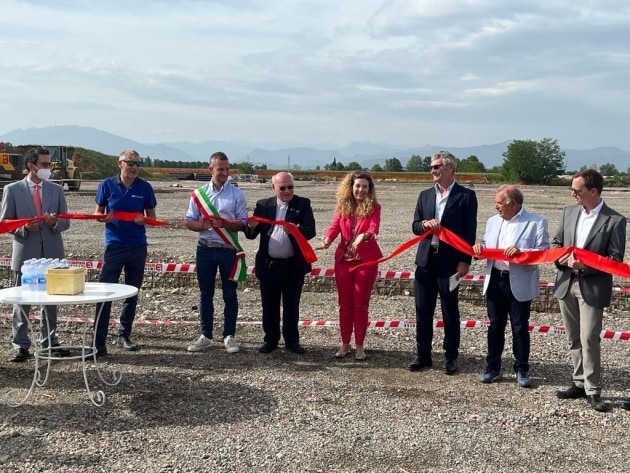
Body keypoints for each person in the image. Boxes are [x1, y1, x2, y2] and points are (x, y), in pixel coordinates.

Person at [552, 169, 626, 412]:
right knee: (573, 338)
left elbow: (614, 259)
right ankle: (578, 382)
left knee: (589, 338)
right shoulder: (568, 212)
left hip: (592, 285)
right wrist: (560, 259)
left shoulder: (614, 220)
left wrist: (585, 266)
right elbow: (556, 244)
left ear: (593, 191)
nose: (573, 194)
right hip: (566, 282)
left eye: (577, 190)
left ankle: (593, 389)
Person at [472, 185, 549, 388]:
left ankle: (522, 369)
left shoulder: (536, 222)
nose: (496, 207)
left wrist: (521, 251)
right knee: (495, 325)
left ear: (513, 203)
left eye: (500, 203)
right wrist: (479, 248)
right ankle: (492, 367)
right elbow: (485, 243)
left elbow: (543, 252)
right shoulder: (492, 221)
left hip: (520, 281)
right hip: (496, 279)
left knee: (520, 327)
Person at [408, 150, 477, 374]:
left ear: (450, 168)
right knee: (423, 310)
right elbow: (415, 225)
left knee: (450, 312)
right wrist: (425, 224)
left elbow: (470, 232)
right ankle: (423, 355)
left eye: (436, 167)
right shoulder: (424, 195)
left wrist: (465, 260)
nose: (433, 171)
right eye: (431, 167)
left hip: (450, 263)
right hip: (426, 261)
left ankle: (451, 357)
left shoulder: (466, 197)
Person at [0, 146, 71, 361]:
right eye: (45, 164)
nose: (48, 168)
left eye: (49, 164)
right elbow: (4, 223)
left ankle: (49, 342)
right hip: (26, 255)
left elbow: (66, 221)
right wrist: (22, 228)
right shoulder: (12, 190)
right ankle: (21, 345)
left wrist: (54, 222)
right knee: (22, 302)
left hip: (52, 254)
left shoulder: (56, 190)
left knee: (51, 302)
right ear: (31, 166)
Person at [93, 150, 157, 356]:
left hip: (138, 247)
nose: (134, 167)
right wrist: (103, 218)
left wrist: (144, 220)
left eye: (138, 163)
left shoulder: (145, 187)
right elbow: (97, 213)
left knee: (132, 293)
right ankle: (98, 341)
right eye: (130, 163)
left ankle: (124, 335)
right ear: (120, 163)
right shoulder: (107, 185)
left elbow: (152, 218)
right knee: (105, 294)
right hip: (114, 247)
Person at [245, 172, 316, 354]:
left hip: (293, 265)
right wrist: (250, 226)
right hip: (269, 266)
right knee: (269, 305)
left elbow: (310, 231)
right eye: (282, 188)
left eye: (290, 187)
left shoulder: (303, 204)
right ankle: (270, 340)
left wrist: (295, 230)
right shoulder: (263, 205)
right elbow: (251, 234)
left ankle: (292, 341)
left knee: (292, 305)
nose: (287, 191)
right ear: (273, 188)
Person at [185, 151, 248, 354]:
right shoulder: (199, 194)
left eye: (227, 168)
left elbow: (243, 224)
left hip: (228, 250)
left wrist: (225, 223)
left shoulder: (237, 194)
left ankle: (229, 335)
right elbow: (189, 222)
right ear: (211, 169)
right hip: (205, 248)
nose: (224, 172)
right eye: (220, 169)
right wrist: (201, 225)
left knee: (230, 294)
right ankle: (206, 336)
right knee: (205, 294)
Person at [320, 171, 383, 361]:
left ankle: (360, 346)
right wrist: (327, 239)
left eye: (365, 186)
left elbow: (373, 228)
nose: (361, 190)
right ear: (351, 187)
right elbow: (334, 227)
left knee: (360, 305)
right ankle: (345, 343)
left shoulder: (374, 207)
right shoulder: (343, 206)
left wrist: (364, 236)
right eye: (358, 186)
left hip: (366, 261)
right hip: (343, 262)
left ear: (369, 189)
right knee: (345, 305)